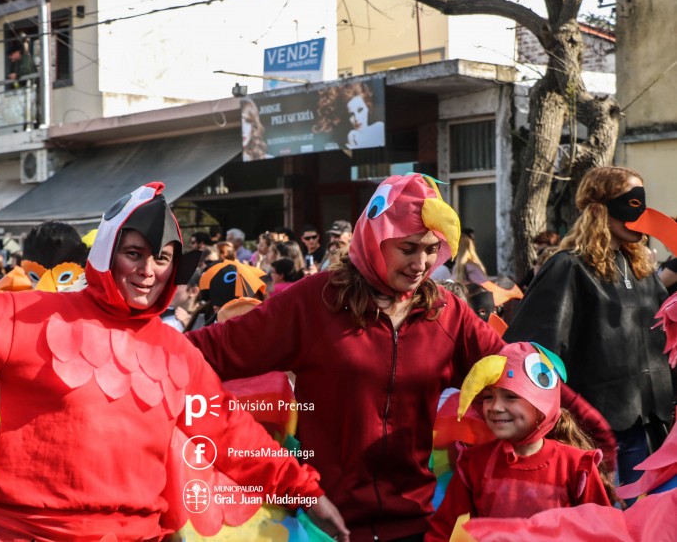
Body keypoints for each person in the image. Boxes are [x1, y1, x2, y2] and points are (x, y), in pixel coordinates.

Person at [0, 182, 348, 541]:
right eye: (136, 254)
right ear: (105, 254)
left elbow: (231, 435)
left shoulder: (175, 353)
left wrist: (306, 492)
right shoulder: (26, 317)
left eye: (162, 259)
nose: (149, 272)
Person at [187, 174, 509, 540]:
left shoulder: (448, 313)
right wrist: (127, 350)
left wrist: (583, 438)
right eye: (408, 248)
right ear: (375, 239)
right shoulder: (314, 301)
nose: (422, 264)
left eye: (432, 249)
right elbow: (208, 351)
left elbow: (521, 378)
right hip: (321, 524)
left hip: (415, 526)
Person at [505, 166, 676, 489]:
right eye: (632, 202)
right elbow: (532, 351)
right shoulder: (568, 267)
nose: (643, 213)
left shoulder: (641, 270)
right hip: (595, 432)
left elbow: (665, 340)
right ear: (600, 208)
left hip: (650, 426)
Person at [425, 342, 612, 542]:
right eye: (488, 397)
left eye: (510, 396)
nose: (496, 407)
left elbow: (603, 532)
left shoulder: (576, 466)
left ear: (542, 403)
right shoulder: (474, 463)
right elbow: (442, 530)